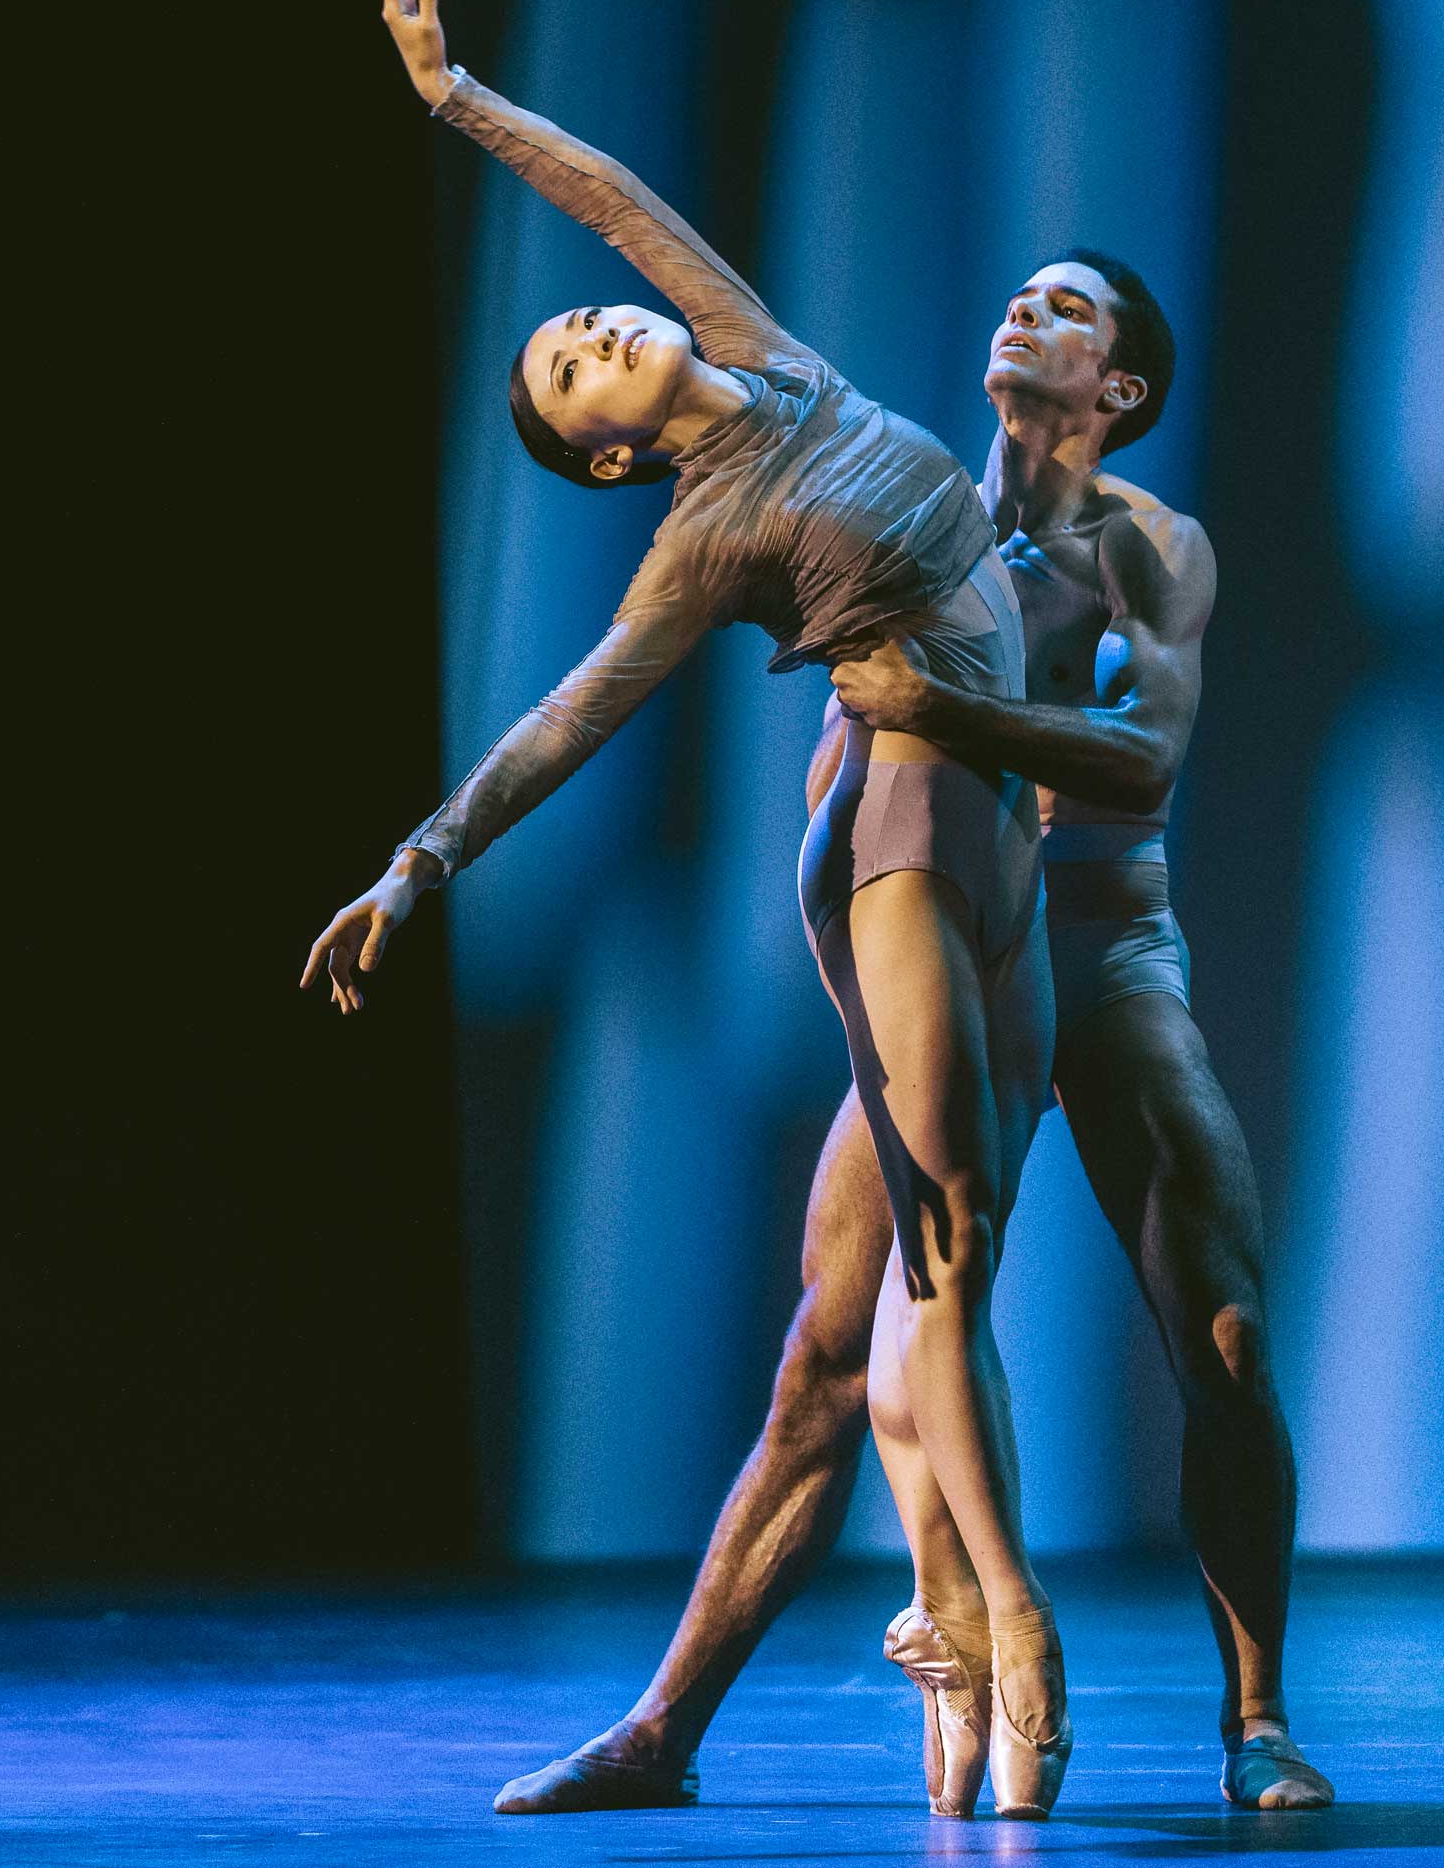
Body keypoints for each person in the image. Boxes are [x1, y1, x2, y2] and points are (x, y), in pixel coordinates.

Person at [301, 0, 1074, 1819]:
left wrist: (456, 99)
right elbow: (571, 713)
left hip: (1004, 860)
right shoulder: (702, 535)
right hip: (896, 844)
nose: (593, 334)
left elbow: (619, 203)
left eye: (582, 329)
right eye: (573, 373)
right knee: (949, 1264)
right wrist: (420, 859)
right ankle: (995, 1626)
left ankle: (666, 1733)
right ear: (611, 460)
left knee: (830, 1357)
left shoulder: (770, 357)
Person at [494, 254, 1335, 1819]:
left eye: (1069, 310)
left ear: (1120, 389)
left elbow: (1140, 757)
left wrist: (934, 712)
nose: (1025, 310)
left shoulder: (1149, 544)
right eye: (1020, 294)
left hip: (1102, 947)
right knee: (826, 1354)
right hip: (950, 949)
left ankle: (1259, 1720)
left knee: (1220, 1326)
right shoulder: (906, 512)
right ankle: (662, 1731)